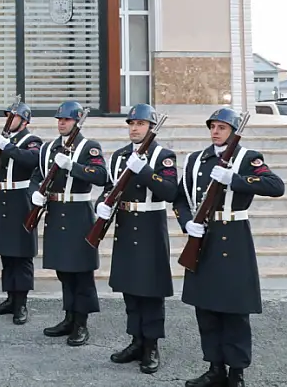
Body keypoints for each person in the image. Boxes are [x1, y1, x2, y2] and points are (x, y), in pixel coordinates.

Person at [173, 107, 285, 387]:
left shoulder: (248, 158)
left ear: (233, 132)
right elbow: (179, 199)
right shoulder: (196, 160)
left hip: (234, 238)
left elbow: (275, 185)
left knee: (235, 310)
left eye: (222, 127)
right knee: (206, 308)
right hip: (204, 238)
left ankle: (236, 372)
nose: (215, 131)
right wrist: (187, 224)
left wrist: (234, 179)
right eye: (212, 126)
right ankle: (214, 369)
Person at [95, 103, 178, 373]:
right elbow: (110, 186)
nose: (134, 128)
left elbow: (169, 191)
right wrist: (102, 203)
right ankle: (136, 340)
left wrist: (143, 170)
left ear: (151, 127)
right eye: (131, 124)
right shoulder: (119, 156)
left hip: (151, 226)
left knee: (151, 290)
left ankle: (151, 345)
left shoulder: (163, 156)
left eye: (140, 124)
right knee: (130, 287)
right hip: (126, 224)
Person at [36, 100, 108, 346]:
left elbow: (100, 176)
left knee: (81, 273)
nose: (61, 123)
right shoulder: (49, 148)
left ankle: (81, 323)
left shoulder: (90, 147)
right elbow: (39, 175)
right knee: (64, 271)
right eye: (59, 120)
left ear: (77, 122)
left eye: (66, 120)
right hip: (56, 212)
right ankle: (68, 317)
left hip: (78, 213)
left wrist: (73, 166)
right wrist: (37, 192)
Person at [0, 102, 42, 324]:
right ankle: (10, 298)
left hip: (21, 201)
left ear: (24, 120)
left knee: (22, 255)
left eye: (13, 116)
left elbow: (32, 160)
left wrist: (7, 148)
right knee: (7, 253)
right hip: (3, 200)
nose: (9, 119)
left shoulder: (32, 141)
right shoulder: (5, 140)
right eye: (8, 116)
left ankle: (21, 303)